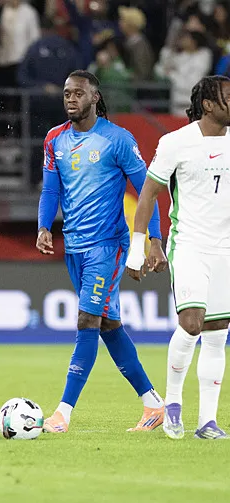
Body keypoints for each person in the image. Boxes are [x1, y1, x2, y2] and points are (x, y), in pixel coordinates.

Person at [36, 70, 167, 433]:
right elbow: (51, 190)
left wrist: (154, 240)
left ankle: (63, 413)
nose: (70, 98)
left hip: (107, 246)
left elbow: (147, 191)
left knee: (87, 321)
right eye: (66, 93)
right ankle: (153, 403)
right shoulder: (54, 139)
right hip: (74, 246)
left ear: (94, 97)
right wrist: (44, 226)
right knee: (108, 325)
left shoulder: (117, 139)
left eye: (78, 93)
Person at [126, 75, 230, 440]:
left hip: (225, 250)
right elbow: (148, 194)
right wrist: (139, 248)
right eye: (228, 96)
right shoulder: (176, 142)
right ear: (209, 104)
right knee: (191, 323)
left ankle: (208, 422)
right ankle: (172, 405)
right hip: (189, 245)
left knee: (217, 334)